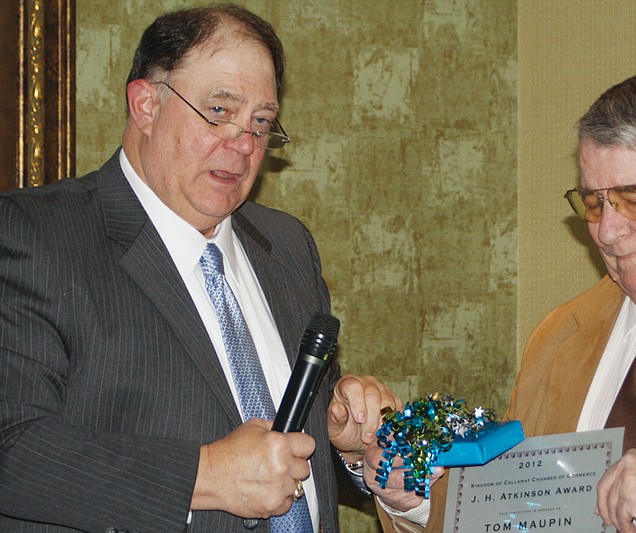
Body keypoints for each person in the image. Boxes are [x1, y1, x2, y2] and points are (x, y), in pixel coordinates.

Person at [0, 5, 400, 532]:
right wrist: (204, 474)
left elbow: (282, 460)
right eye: (218, 111)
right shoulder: (34, 234)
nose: (242, 145)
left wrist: (349, 447)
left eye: (260, 123)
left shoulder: (287, 246)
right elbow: (12, 447)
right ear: (145, 104)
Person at [369, 68, 636, 532]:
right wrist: (414, 500)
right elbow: (516, 509)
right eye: (593, 203)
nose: (606, 232)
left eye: (633, 197)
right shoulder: (558, 337)